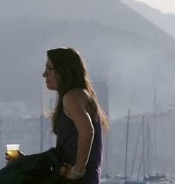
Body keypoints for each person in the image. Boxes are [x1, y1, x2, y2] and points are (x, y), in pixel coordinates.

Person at [8, 47, 108, 183]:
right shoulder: (82, 95)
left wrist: (77, 171)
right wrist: (26, 161)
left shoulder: (71, 97)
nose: (44, 74)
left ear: (63, 71)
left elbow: (87, 131)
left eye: (49, 69)